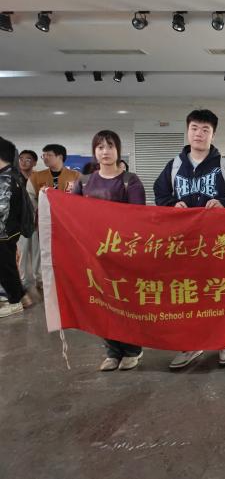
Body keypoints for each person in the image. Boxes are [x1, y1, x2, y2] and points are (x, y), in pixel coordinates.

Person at [153, 109, 225, 369]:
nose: (199, 134)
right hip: (185, 244)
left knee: (219, 291)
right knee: (189, 294)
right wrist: (173, 204)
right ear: (187, 131)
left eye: (205, 129)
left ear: (213, 134)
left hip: (218, 244)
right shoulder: (174, 166)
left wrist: (224, 203)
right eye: (194, 128)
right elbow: (160, 195)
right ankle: (191, 343)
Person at [72, 130, 146, 370]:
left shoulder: (130, 181)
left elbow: (137, 218)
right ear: (94, 151)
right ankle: (112, 351)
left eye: (110, 146)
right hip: (94, 254)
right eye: (100, 147)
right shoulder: (84, 182)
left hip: (123, 254)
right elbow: (71, 212)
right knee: (101, 303)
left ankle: (132, 350)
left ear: (118, 150)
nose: (105, 151)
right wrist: (48, 196)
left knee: (125, 302)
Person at [26, 144, 81, 305]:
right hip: (44, 223)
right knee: (44, 252)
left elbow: (82, 200)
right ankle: (42, 281)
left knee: (68, 253)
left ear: (60, 156)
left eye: (48, 155)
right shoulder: (36, 177)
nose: (45, 158)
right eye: (43, 155)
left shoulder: (75, 176)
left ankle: (68, 280)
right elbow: (30, 200)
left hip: (68, 224)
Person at [0, 137, 31, 318]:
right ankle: (22, 297)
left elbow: (2, 211)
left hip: (3, 233)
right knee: (8, 266)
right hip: (10, 232)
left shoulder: (5, 179)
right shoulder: (11, 175)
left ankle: (15, 302)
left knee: (6, 268)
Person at [16, 150, 39, 297]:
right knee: (22, 252)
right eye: (21, 159)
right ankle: (23, 281)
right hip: (19, 222)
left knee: (37, 252)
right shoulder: (13, 177)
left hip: (36, 221)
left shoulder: (38, 178)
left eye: (28, 159)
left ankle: (38, 280)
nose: (24, 162)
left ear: (34, 162)